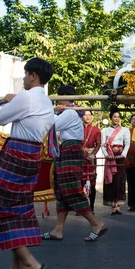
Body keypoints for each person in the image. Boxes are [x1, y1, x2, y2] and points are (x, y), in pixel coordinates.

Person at [0, 58, 53, 269]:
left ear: (33, 75)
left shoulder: (26, 97)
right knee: (18, 209)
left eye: (25, 75)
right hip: (32, 155)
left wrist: (6, 101)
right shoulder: (47, 102)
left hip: (17, 153)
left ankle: (31, 263)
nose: (24, 79)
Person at [43, 85, 106, 242]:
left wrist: (54, 110)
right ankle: (58, 229)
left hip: (70, 150)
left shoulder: (70, 112)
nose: (58, 99)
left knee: (70, 189)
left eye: (59, 96)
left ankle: (96, 223)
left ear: (66, 97)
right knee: (62, 190)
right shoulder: (72, 112)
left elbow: (52, 124)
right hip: (66, 149)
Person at [101, 108, 130, 215]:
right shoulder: (104, 130)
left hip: (120, 157)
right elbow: (102, 145)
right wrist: (107, 155)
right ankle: (112, 205)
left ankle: (118, 205)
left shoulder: (125, 130)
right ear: (111, 118)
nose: (116, 118)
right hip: (110, 156)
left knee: (119, 180)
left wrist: (123, 155)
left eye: (118, 117)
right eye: (114, 117)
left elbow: (127, 144)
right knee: (110, 180)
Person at [82, 110, 101, 214]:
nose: (87, 117)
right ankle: (80, 206)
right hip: (80, 158)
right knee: (79, 182)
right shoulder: (77, 128)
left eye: (89, 115)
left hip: (91, 159)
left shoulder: (96, 130)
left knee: (91, 183)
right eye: (85, 115)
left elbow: (98, 144)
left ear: (92, 117)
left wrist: (93, 154)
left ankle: (91, 206)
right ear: (82, 117)